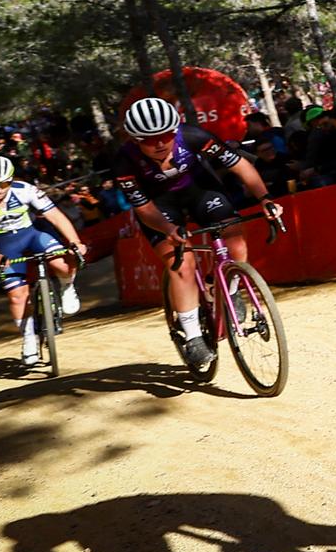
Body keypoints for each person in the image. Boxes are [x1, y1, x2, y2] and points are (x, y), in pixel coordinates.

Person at [113, 97, 283, 372]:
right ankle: (192, 336)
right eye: (149, 139)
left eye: (166, 135)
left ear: (176, 129)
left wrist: (265, 198)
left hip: (199, 191)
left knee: (234, 236)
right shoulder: (124, 161)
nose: (159, 144)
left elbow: (239, 164)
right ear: (134, 140)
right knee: (182, 262)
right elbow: (143, 208)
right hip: (158, 206)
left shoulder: (194, 136)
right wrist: (168, 229)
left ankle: (229, 290)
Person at [0, 155, 85, 368]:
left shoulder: (25, 189)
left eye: (4, 183)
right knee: (17, 296)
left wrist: (75, 241)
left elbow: (55, 216)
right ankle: (28, 339)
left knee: (61, 263)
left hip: (31, 234)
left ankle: (67, 284)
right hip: (2, 245)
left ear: (11, 179)